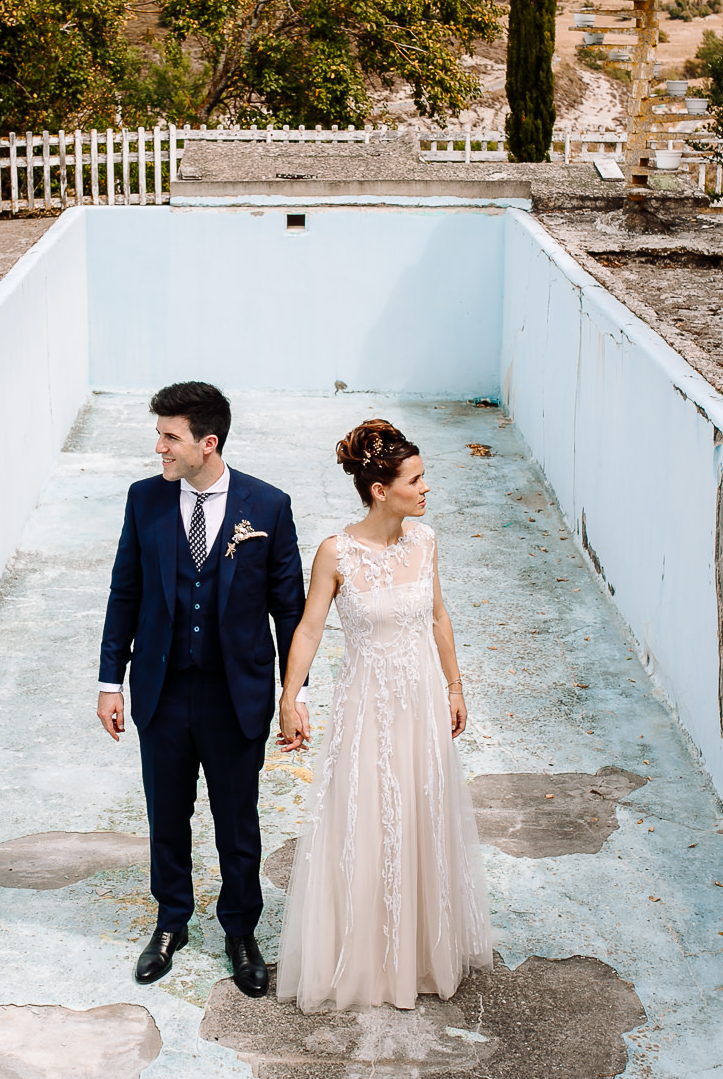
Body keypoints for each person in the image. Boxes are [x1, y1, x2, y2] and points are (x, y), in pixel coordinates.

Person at [96, 382, 306, 997]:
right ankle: (170, 923)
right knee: (167, 814)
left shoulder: (266, 507)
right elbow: (125, 594)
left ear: (207, 443)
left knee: (235, 819)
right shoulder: (146, 502)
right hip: (161, 690)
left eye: (169, 437)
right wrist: (111, 681)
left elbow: (289, 610)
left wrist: (294, 694)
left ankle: (241, 931)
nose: (158, 447)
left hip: (235, 695)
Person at [275, 419, 492, 1012]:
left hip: (421, 703)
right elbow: (310, 627)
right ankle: (365, 956)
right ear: (380, 489)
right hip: (366, 709)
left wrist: (455, 685)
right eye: (416, 479)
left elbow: (440, 616)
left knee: (422, 816)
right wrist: (290, 697)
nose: (426, 489)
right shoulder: (336, 553)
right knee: (367, 823)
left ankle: (420, 953)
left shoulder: (426, 542)